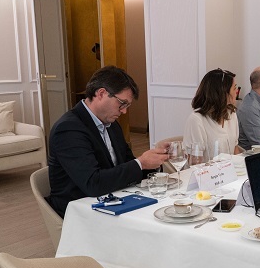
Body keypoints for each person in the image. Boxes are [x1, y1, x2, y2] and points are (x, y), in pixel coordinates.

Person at [48, 66, 170, 218]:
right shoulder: (69, 129)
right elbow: (93, 184)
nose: (124, 111)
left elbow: (127, 165)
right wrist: (141, 163)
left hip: (113, 201)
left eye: (127, 106)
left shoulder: (111, 125)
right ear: (101, 93)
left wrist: (153, 160)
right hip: (81, 211)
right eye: (122, 103)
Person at [183, 68, 241, 158]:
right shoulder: (196, 120)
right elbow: (194, 163)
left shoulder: (231, 114)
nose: (237, 92)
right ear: (222, 93)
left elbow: (235, 149)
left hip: (228, 170)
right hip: (206, 171)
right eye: (234, 88)